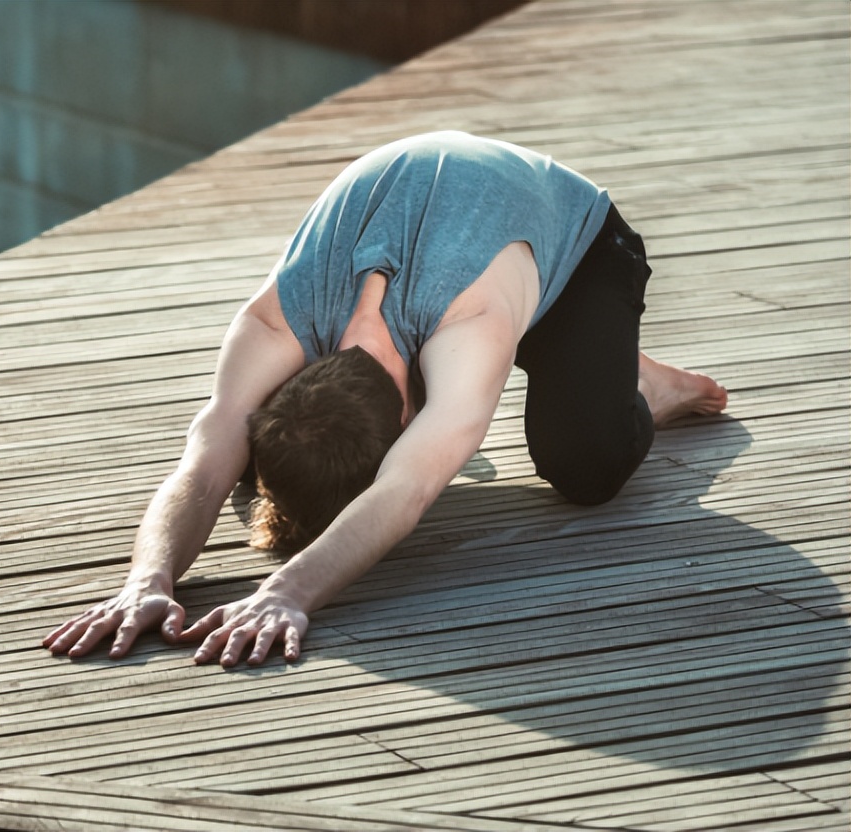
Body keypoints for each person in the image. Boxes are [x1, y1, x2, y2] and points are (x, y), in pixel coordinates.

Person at [43, 131, 727, 668]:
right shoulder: (284, 315)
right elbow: (208, 451)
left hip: (577, 244)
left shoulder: (467, 321)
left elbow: (410, 487)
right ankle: (594, 369)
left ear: (407, 421)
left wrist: (288, 592)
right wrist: (148, 579)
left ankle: (636, 382)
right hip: (470, 236)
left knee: (585, 466)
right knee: (280, 453)